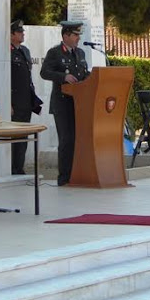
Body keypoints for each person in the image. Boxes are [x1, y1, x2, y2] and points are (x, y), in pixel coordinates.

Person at [40, 21, 90, 186]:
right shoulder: (55, 53)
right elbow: (44, 72)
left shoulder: (80, 53)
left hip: (79, 103)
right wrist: (63, 77)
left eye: (78, 35)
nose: (78, 38)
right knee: (67, 140)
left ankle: (77, 174)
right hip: (62, 103)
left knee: (78, 139)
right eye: (75, 35)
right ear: (66, 36)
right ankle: (64, 178)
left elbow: (84, 74)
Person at [10, 20, 42, 175]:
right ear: (11, 35)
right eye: (19, 32)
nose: (23, 34)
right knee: (14, 136)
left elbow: (28, 77)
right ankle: (13, 168)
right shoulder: (8, 52)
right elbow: (7, 79)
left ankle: (19, 167)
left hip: (26, 101)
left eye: (23, 31)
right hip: (14, 102)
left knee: (24, 136)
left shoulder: (25, 51)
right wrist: (8, 102)